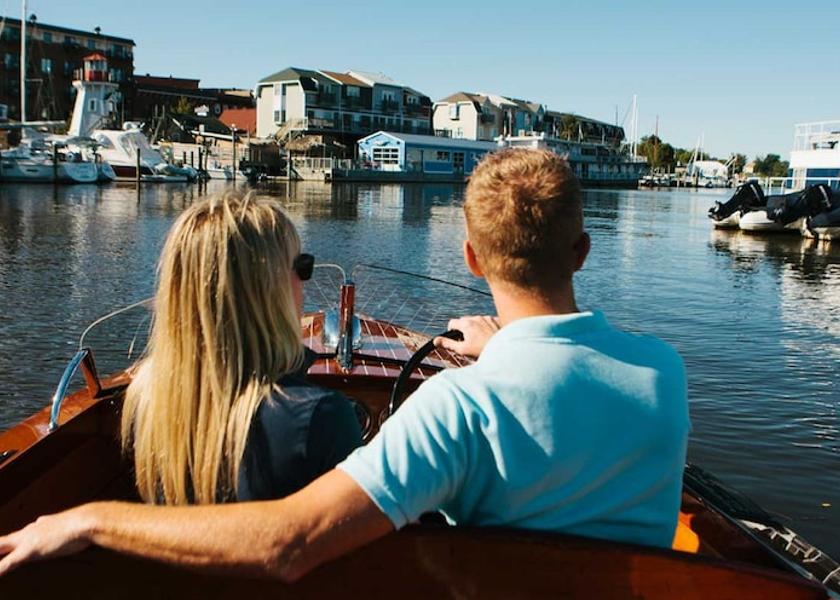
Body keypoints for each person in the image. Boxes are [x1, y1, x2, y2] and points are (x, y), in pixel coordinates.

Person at [0, 149, 689, 581]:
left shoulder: (457, 409)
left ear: (471, 259)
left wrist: (88, 518)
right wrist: (502, 347)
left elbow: (290, 543)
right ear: (583, 251)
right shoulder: (665, 372)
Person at [120, 190, 361, 505]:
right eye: (302, 267)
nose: (305, 281)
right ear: (266, 290)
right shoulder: (318, 417)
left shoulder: (145, 402)